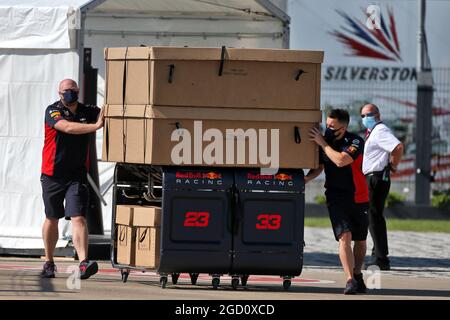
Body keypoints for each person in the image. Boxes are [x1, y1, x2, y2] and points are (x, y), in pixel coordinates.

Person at [40, 79, 104, 279]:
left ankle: (84, 262)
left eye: (73, 90)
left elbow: (106, 112)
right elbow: (67, 127)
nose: (70, 94)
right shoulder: (53, 111)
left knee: (78, 217)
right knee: (52, 217)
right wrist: (96, 126)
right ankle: (49, 261)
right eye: (66, 91)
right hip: (52, 174)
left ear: (78, 91)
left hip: (76, 174)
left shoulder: (87, 111)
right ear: (59, 93)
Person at [307, 109, 369, 294]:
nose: (328, 129)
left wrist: (323, 143)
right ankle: (350, 280)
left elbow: (341, 160)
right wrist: (305, 179)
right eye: (327, 125)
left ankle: (358, 274)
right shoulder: (324, 141)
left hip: (358, 196)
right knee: (345, 237)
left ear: (344, 127)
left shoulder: (356, 141)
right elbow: (319, 168)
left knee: (360, 240)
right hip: (335, 196)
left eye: (332, 127)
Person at [360, 103, 404, 271]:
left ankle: (381, 258)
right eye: (362, 115)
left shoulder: (380, 131)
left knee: (374, 216)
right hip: (374, 177)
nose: (365, 118)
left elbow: (398, 147)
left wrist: (393, 166)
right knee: (374, 216)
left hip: (376, 177)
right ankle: (377, 254)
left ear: (377, 114)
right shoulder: (374, 132)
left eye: (368, 114)